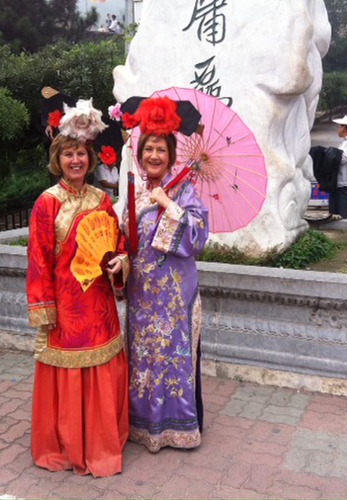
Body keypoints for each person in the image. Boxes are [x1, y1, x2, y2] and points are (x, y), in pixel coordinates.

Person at [26, 98, 129, 477]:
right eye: (69, 154)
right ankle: (66, 444)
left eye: (81, 154)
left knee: (102, 366)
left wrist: (120, 262)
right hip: (66, 311)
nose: (76, 161)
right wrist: (44, 309)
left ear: (91, 158)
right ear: (59, 159)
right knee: (68, 372)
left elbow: (114, 246)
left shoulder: (102, 200)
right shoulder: (46, 204)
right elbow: (37, 261)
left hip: (99, 305)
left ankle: (101, 440)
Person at [121, 97, 209, 453]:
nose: (154, 156)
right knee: (142, 358)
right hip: (142, 292)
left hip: (175, 294)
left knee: (174, 357)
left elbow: (199, 235)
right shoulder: (134, 191)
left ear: (171, 155)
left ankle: (177, 427)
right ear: (140, 153)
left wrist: (168, 204)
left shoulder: (184, 189)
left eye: (161, 149)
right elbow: (126, 238)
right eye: (149, 149)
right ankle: (142, 426)